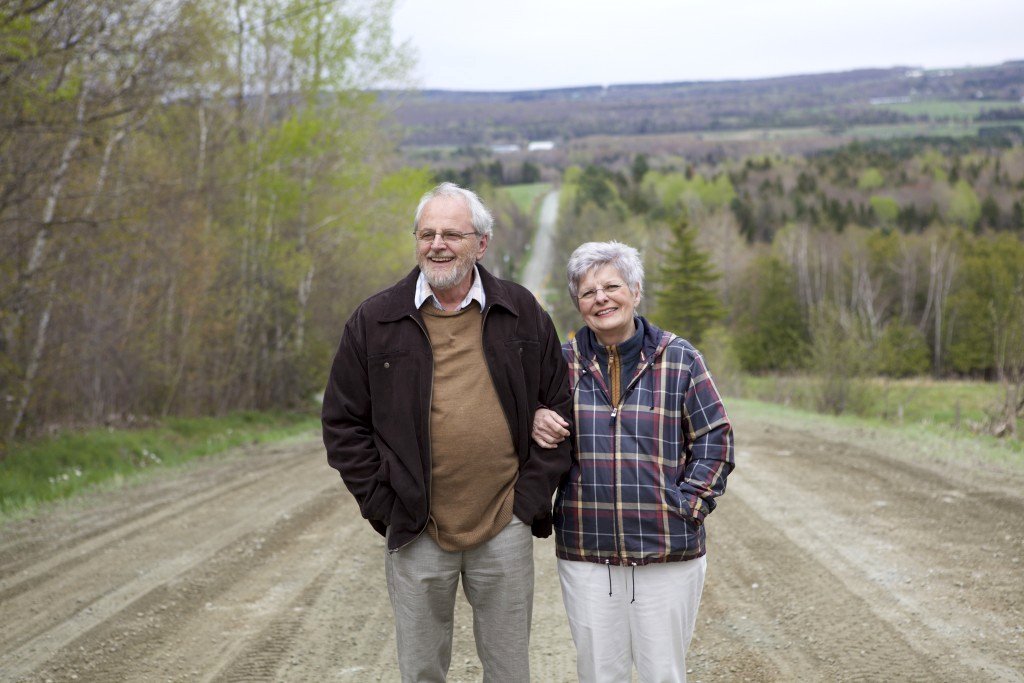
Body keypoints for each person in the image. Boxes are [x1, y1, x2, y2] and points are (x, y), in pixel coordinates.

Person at [321, 182, 573, 682]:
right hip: (417, 528)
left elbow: (559, 407)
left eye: (452, 234)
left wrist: (526, 505)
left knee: (509, 672)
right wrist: (385, 505)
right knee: (420, 672)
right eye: (427, 233)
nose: (437, 244)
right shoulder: (375, 320)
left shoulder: (521, 312)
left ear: (481, 244)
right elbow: (343, 423)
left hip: (505, 523)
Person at [532, 240, 734, 683]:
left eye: (611, 286)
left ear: (635, 291)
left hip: (667, 552)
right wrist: (536, 418)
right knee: (599, 675)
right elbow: (528, 430)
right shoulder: (560, 364)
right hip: (587, 553)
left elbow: (715, 440)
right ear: (578, 305)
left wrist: (687, 508)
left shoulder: (679, 358)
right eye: (588, 292)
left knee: (663, 674)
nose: (601, 298)